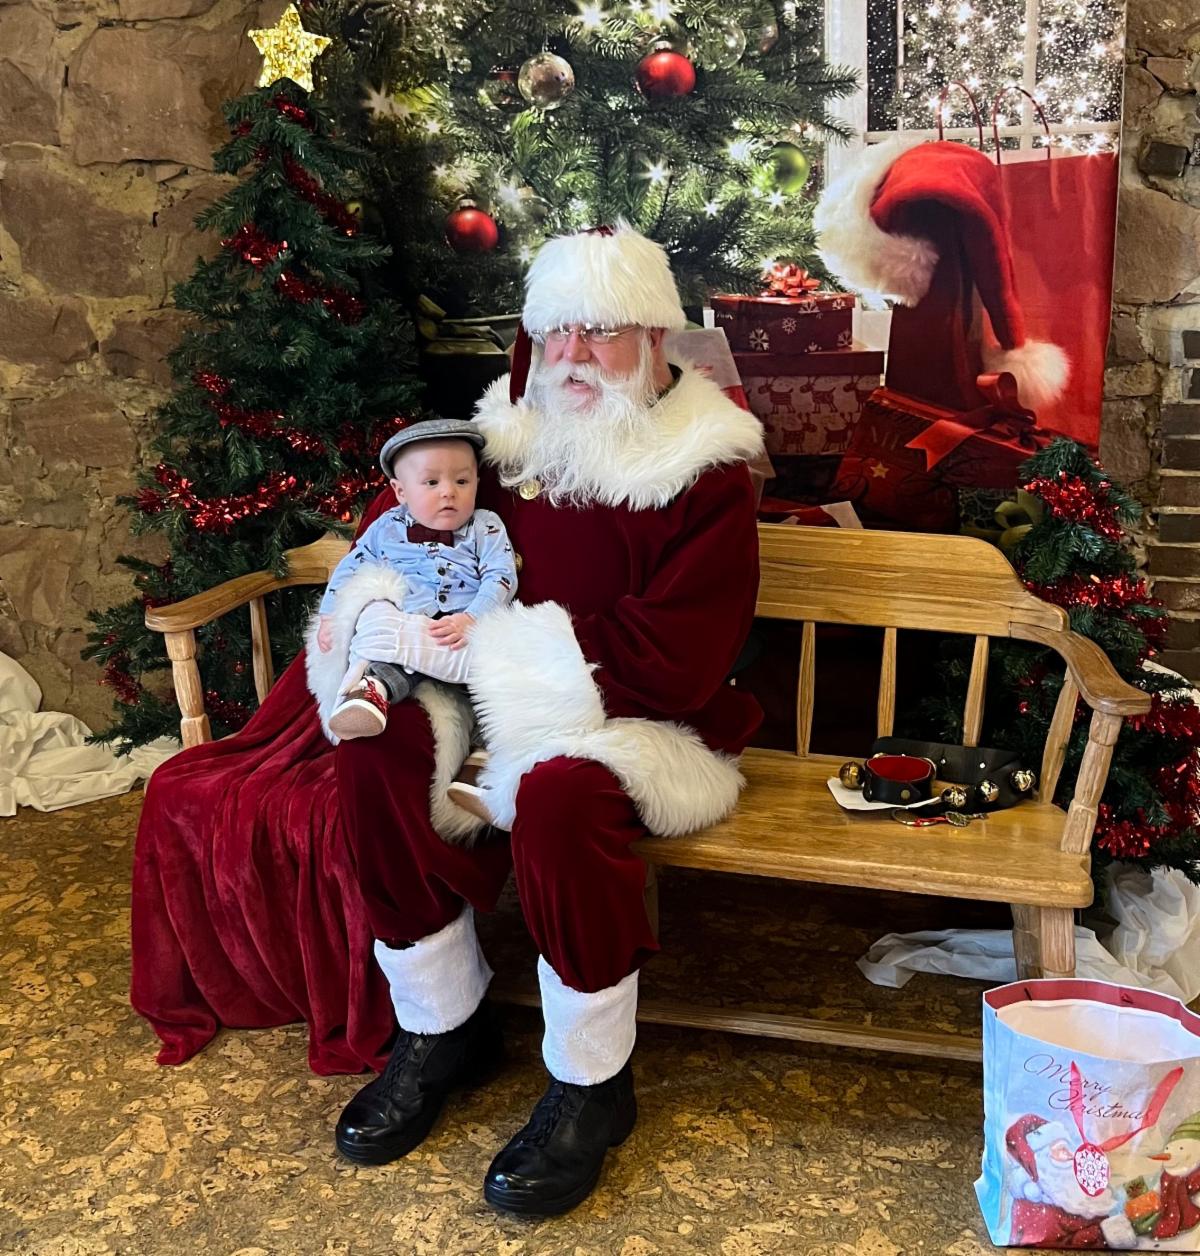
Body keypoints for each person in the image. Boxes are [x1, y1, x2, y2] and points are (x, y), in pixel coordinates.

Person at [333, 222, 766, 1216]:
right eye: (555, 331)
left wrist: (499, 663)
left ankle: (590, 1082)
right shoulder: (499, 445)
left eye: (599, 331)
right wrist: (395, 618)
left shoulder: (704, 469)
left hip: (636, 716)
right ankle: (443, 1024)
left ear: (652, 337)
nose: (572, 355)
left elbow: (680, 654)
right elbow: (417, 538)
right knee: (379, 754)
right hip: (485, 691)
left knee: (559, 793)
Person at [305, 419, 517, 741]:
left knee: (498, 668)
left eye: (462, 481)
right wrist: (330, 615)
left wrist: (472, 617)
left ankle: (491, 738)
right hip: (409, 626)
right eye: (431, 482)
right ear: (400, 491)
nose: (449, 491)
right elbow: (351, 567)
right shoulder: (386, 527)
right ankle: (371, 693)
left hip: (463, 629)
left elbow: (500, 575)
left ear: (476, 481)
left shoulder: (485, 526)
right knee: (376, 617)